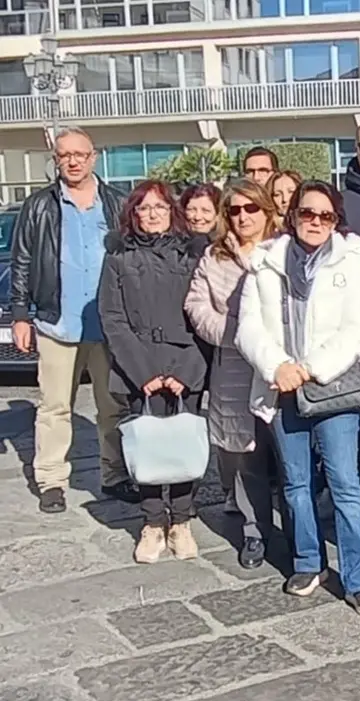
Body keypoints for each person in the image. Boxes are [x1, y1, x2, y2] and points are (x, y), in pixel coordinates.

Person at [235, 180, 360, 615]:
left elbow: (358, 330)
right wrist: (277, 366)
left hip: (332, 388)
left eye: (325, 216)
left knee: (345, 486)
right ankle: (308, 561)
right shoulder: (264, 264)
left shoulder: (351, 263)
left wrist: (310, 368)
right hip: (280, 387)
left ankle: (358, 577)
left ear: (336, 220)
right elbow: (248, 327)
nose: (315, 223)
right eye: (307, 214)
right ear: (292, 216)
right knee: (297, 485)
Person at [10, 126, 134, 513]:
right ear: (57, 160)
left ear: (94, 157)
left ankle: (114, 475)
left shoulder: (116, 204)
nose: (73, 161)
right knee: (54, 407)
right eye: (65, 155)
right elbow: (23, 260)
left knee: (111, 406)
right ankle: (51, 480)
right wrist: (19, 314)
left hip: (106, 324)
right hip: (56, 322)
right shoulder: (40, 205)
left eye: (80, 154)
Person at [98, 180, 208, 563]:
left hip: (184, 359)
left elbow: (203, 315)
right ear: (133, 214)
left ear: (172, 211)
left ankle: (180, 519)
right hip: (137, 364)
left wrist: (186, 369)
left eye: (160, 207)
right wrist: (143, 371)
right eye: (144, 209)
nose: (152, 215)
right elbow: (112, 318)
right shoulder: (118, 257)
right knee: (145, 447)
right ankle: (151, 522)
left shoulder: (191, 254)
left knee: (180, 443)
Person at [185, 179, 280, 570]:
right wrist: (233, 333)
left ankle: (298, 533)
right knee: (243, 456)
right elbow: (196, 305)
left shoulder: (285, 250)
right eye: (235, 210)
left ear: (265, 211)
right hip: (233, 366)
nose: (242, 216)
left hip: (278, 366)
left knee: (288, 455)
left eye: (250, 209)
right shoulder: (214, 257)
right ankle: (255, 531)